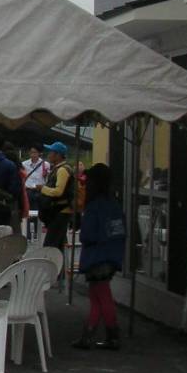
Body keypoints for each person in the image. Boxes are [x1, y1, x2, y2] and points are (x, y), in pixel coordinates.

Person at [73, 163, 127, 350]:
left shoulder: (94, 206)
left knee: (101, 297)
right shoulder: (114, 205)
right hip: (111, 255)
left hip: (96, 257)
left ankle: (110, 335)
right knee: (98, 296)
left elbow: (87, 235)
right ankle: (91, 335)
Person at [37, 141, 74, 251]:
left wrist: (43, 188)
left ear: (58, 155)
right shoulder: (59, 168)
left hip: (60, 211)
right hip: (59, 211)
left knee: (50, 246)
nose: (49, 155)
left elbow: (58, 191)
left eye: (51, 152)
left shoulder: (62, 170)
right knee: (58, 246)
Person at [23, 146, 48, 212]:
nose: (33, 154)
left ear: (39, 153)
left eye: (35, 152)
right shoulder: (24, 164)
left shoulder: (45, 164)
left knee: (40, 211)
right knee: (30, 212)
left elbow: (48, 178)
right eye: (31, 152)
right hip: (28, 191)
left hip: (40, 191)